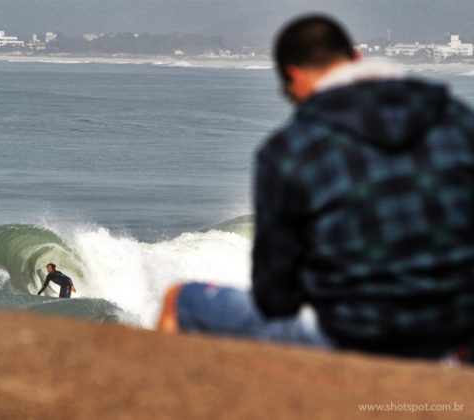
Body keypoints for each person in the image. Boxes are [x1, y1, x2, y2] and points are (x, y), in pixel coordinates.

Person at [158, 15, 474, 362]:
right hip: (458, 335)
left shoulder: (291, 149)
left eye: (288, 92)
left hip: (356, 337)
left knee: (182, 301)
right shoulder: (456, 119)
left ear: (294, 76)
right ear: (357, 58)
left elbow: (275, 296)